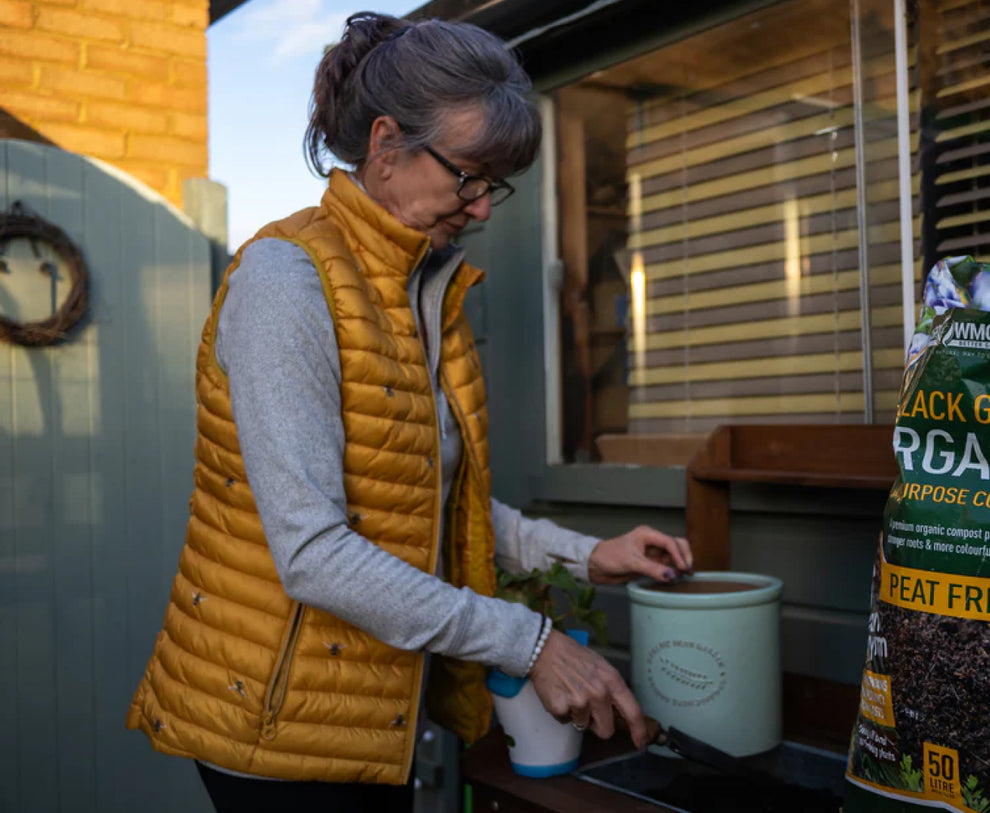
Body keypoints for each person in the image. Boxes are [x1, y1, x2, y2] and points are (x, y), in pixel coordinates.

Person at [126, 12, 692, 811]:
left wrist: (590, 554)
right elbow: (315, 552)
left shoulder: (421, 291)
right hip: (276, 725)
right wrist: (529, 642)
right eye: (469, 175)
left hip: (371, 713)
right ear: (386, 147)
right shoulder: (286, 283)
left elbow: (431, 502)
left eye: (495, 183)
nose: (484, 208)